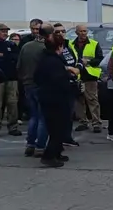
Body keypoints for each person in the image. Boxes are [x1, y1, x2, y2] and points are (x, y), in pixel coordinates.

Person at [34, 24, 79, 168]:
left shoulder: (48, 58)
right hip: (55, 99)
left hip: (51, 97)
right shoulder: (52, 61)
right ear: (58, 49)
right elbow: (57, 79)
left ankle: (57, 152)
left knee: (60, 127)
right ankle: (49, 156)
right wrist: (69, 75)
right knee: (57, 129)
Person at [17, 26, 48, 157]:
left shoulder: (26, 46)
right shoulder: (45, 48)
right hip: (42, 85)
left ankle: (30, 144)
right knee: (43, 118)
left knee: (33, 116)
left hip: (28, 84)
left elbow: (19, 66)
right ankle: (40, 146)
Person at [72, 25, 105, 133]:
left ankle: (96, 123)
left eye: (85, 31)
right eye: (81, 31)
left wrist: (89, 62)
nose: (83, 33)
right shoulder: (71, 44)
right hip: (76, 75)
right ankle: (83, 122)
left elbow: (100, 59)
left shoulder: (94, 44)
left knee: (92, 100)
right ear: (76, 32)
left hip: (90, 75)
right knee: (79, 101)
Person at [55, 23, 83, 147]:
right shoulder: (52, 48)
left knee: (69, 113)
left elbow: (77, 60)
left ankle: (67, 137)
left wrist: (77, 68)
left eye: (63, 31)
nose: (61, 34)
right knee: (59, 115)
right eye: (57, 32)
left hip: (72, 84)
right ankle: (57, 140)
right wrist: (69, 69)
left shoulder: (68, 45)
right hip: (59, 86)